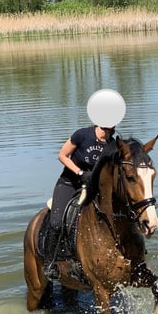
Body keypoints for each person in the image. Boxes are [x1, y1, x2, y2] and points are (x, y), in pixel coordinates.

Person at [43, 89, 126, 279]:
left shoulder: (113, 146)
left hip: (92, 189)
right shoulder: (82, 135)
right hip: (69, 183)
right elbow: (62, 156)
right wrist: (80, 173)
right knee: (56, 223)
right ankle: (49, 263)